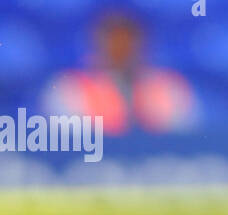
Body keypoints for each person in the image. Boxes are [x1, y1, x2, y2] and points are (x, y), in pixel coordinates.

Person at [40, 12, 198, 135]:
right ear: (97, 45)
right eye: (115, 45)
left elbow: (184, 135)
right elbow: (64, 140)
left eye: (127, 45)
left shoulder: (169, 86)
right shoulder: (70, 87)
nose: (122, 52)